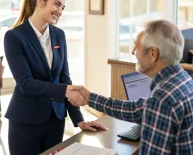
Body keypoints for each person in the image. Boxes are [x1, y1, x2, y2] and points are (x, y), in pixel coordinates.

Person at [4, 0, 107, 155]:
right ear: (40, 0)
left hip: (55, 120)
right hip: (25, 121)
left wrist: (79, 120)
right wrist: (66, 90)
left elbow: (64, 78)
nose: (60, 11)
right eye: (57, 4)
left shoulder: (59, 35)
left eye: (63, 7)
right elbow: (26, 84)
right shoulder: (14, 37)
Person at [70, 20, 193, 154]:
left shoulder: (161, 99)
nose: (133, 52)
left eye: (136, 47)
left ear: (153, 54)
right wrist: (89, 97)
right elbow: (137, 110)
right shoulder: (183, 80)